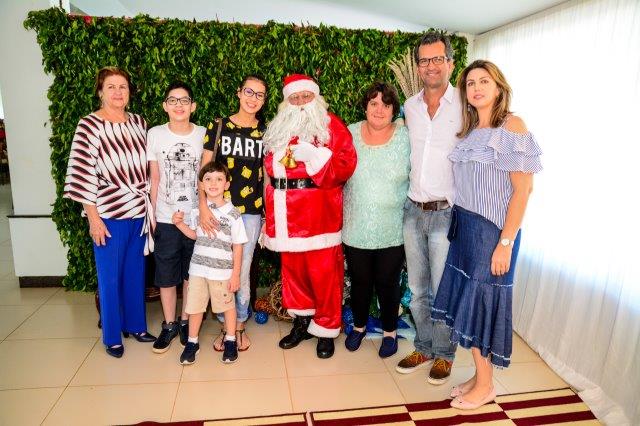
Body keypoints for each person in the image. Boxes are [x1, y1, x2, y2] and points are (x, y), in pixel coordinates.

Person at [432, 60, 541, 409]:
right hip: (465, 229)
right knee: (468, 305)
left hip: (493, 234)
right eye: (471, 83)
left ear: (498, 87)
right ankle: (480, 377)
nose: (476, 88)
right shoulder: (469, 132)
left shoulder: (512, 126)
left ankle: (486, 385)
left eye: (484, 81)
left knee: (480, 306)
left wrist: (505, 243)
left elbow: (523, 191)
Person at [63, 66, 156, 358]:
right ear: (100, 92)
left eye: (123, 87)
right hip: (108, 213)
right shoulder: (89, 125)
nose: (118, 92)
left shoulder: (139, 123)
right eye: (111, 87)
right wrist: (93, 219)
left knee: (135, 273)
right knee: (110, 277)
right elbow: (82, 173)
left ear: (130, 93)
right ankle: (112, 336)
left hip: (138, 211)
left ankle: (136, 326)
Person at [262, 73, 357, 359]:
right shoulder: (278, 128)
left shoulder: (331, 125)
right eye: (295, 97)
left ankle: (326, 330)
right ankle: (302, 322)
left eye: (306, 96)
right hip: (285, 213)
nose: (301, 102)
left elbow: (346, 164)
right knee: (293, 273)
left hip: (318, 214)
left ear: (316, 97)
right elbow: (269, 169)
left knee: (324, 275)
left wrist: (315, 155)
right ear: (286, 102)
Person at [396, 31, 462, 384]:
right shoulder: (410, 107)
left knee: (441, 288)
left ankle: (445, 353)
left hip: (445, 213)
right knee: (418, 289)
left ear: (450, 62)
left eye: (438, 59)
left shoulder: (465, 105)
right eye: (424, 60)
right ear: (418, 66)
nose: (430, 66)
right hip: (412, 210)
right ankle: (423, 345)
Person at [200, 75, 268, 352]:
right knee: (220, 267)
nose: (253, 98)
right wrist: (202, 206)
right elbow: (203, 170)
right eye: (249, 92)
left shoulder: (266, 132)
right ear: (239, 93)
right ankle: (223, 324)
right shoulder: (218, 126)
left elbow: (267, 176)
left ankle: (238, 324)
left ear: (264, 101)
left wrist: (268, 215)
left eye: (259, 95)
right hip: (219, 210)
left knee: (242, 268)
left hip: (251, 212)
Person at [342, 81, 410, 358]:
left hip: (392, 227)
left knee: (388, 282)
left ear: (394, 110)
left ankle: (389, 332)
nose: (379, 109)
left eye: (386, 104)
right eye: (373, 103)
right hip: (356, 225)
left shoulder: (406, 137)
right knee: (360, 281)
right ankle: (358, 327)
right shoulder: (350, 133)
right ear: (365, 107)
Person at [147, 82, 206, 353]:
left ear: (193, 106)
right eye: (173, 100)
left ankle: (185, 322)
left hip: (194, 218)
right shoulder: (155, 134)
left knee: (191, 274)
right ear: (165, 106)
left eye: (184, 100)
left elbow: (207, 178)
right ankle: (169, 324)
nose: (179, 105)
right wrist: (152, 214)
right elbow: (155, 178)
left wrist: (205, 212)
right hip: (166, 218)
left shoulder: (203, 134)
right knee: (166, 274)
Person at [172, 161, 248, 365]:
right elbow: (195, 235)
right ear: (202, 185)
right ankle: (192, 342)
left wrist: (235, 275)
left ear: (227, 184)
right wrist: (180, 224)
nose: (213, 183)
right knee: (195, 307)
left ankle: (230, 340)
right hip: (198, 270)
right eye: (208, 179)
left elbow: (238, 246)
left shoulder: (233, 214)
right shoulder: (198, 212)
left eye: (219, 179)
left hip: (222, 272)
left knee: (227, 307)